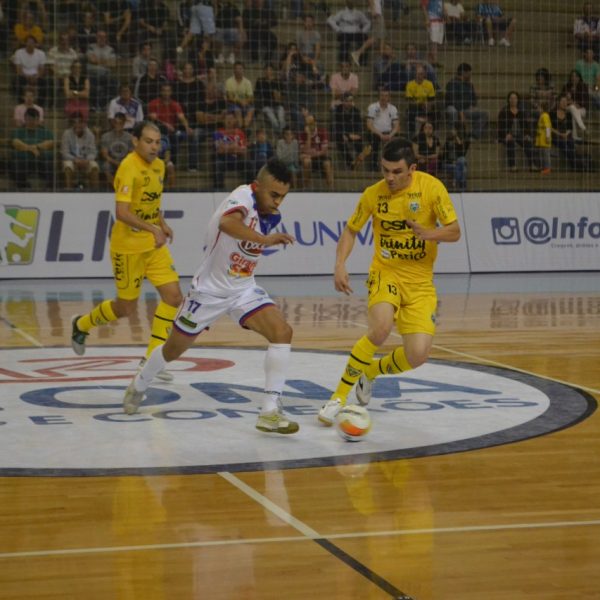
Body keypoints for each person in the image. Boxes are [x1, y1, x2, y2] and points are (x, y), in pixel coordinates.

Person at [122, 158, 300, 435]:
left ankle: (269, 411)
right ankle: (140, 383)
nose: (278, 202)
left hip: (242, 289)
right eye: (273, 195)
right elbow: (228, 224)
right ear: (257, 186)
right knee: (173, 349)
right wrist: (266, 240)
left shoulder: (271, 215)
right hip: (209, 291)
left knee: (282, 332)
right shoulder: (243, 195)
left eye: (283, 197)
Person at [317, 138, 461, 425]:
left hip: (420, 283)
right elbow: (351, 230)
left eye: (396, 171)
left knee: (417, 355)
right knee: (381, 328)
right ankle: (337, 398)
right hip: (386, 272)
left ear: (412, 169)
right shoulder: (373, 194)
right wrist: (339, 264)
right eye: (385, 170)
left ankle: (370, 372)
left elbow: (454, 231)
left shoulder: (432, 188)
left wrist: (428, 233)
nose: (389, 177)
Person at [71, 121, 184, 383]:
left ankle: (152, 358)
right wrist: (152, 229)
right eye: (148, 141)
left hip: (153, 247)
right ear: (135, 142)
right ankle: (81, 325)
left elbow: (152, 202)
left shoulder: (158, 167)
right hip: (127, 249)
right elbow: (122, 213)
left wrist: (162, 224)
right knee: (125, 308)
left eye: (157, 142)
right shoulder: (128, 167)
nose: (154, 147)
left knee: (174, 296)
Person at [10, 106, 54, 189]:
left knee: (50, 165)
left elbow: (50, 143)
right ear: (25, 119)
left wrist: (36, 146)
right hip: (22, 162)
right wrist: (31, 148)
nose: (32, 122)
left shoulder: (45, 131)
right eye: (29, 119)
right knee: (15, 165)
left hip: (41, 161)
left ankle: (49, 190)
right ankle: (23, 188)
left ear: (38, 120)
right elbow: (15, 143)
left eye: (34, 119)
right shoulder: (18, 131)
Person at [444, 62, 488, 140]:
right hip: (454, 107)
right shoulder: (452, 83)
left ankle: (473, 136)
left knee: (484, 114)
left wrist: (473, 105)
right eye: (469, 73)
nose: (470, 75)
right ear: (464, 73)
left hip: (466, 109)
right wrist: (460, 112)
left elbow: (474, 98)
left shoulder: (469, 85)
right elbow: (453, 100)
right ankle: (452, 134)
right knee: (452, 111)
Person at [497, 91, 535, 172]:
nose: (513, 100)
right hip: (506, 135)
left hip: (519, 135)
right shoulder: (504, 112)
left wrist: (527, 134)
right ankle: (512, 166)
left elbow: (526, 126)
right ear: (508, 100)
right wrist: (506, 134)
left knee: (528, 142)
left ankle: (532, 165)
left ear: (518, 100)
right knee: (510, 142)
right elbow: (500, 127)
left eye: (515, 98)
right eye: (511, 98)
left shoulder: (521, 112)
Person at [60, 115, 100, 189]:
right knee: (68, 166)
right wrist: (75, 160)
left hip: (86, 160)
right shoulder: (66, 134)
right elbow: (64, 152)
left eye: (80, 123)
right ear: (72, 124)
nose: (78, 125)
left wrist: (87, 160)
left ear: (84, 124)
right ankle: (69, 190)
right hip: (72, 160)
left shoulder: (90, 134)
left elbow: (93, 152)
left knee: (94, 166)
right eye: (75, 123)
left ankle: (95, 191)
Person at [366, 87, 400, 170]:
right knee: (374, 141)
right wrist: (380, 134)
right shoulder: (372, 107)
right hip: (375, 132)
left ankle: (390, 166)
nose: (384, 97)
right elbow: (369, 124)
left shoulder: (393, 108)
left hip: (388, 133)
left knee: (395, 143)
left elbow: (397, 125)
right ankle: (373, 167)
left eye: (386, 95)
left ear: (389, 97)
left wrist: (390, 135)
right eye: (382, 95)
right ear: (379, 96)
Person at [299, 113, 334, 189]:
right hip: (309, 159)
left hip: (320, 158)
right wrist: (308, 135)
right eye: (307, 123)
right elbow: (304, 150)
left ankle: (331, 189)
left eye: (311, 123)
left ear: (315, 122)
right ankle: (305, 188)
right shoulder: (302, 134)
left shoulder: (322, 131)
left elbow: (324, 151)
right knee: (306, 161)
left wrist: (310, 154)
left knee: (327, 163)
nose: (309, 125)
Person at [100, 112, 133, 186]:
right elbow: (104, 154)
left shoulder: (130, 137)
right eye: (116, 122)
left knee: (131, 166)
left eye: (120, 123)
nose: (117, 125)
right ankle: (114, 186)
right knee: (106, 166)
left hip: (125, 162)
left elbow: (131, 154)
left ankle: (126, 186)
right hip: (111, 161)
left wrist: (123, 163)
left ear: (124, 123)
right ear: (113, 123)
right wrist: (115, 162)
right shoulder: (106, 136)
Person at [405, 64, 437, 138]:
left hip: (426, 107)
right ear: (415, 74)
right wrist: (420, 103)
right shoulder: (410, 84)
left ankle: (433, 135)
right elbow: (409, 101)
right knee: (410, 112)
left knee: (436, 112)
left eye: (422, 74)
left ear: (424, 74)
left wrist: (428, 105)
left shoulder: (429, 84)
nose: (420, 76)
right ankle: (412, 136)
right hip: (415, 107)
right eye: (418, 74)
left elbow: (432, 100)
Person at [350, 0, 385, 67]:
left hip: (377, 13)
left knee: (379, 37)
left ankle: (358, 53)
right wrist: (373, 10)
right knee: (376, 37)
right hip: (376, 14)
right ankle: (357, 53)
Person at [254, 63, 286, 134]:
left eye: (270, 70)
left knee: (281, 119)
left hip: (278, 105)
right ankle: (281, 134)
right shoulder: (260, 81)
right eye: (266, 70)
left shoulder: (278, 81)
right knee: (274, 120)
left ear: (273, 71)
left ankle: (282, 133)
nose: (268, 72)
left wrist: (278, 96)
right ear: (264, 71)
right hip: (266, 106)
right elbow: (256, 94)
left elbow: (283, 97)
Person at [224, 61, 255, 130]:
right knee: (238, 111)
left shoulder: (247, 82)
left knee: (251, 110)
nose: (238, 70)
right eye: (236, 68)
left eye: (240, 69)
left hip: (245, 104)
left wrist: (245, 102)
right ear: (234, 70)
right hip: (233, 104)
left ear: (243, 70)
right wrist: (240, 101)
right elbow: (230, 97)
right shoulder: (229, 81)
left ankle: (245, 128)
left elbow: (250, 97)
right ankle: (241, 130)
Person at [561, 70, 590, 141]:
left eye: (576, 76)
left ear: (579, 78)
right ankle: (583, 127)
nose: (574, 78)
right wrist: (569, 100)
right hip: (568, 107)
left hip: (581, 109)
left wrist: (575, 103)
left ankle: (575, 136)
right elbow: (561, 98)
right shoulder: (567, 86)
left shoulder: (583, 86)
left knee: (573, 113)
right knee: (572, 107)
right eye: (572, 76)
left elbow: (585, 100)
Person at [420, 0, 445, 66]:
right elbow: (423, 6)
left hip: (440, 21)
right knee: (433, 42)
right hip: (432, 20)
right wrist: (427, 19)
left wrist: (445, 15)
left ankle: (433, 60)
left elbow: (441, 7)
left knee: (437, 42)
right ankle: (432, 61)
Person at [535, 100, 552, 175]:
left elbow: (547, 127)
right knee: (542, 154)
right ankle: (544, 167)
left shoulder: (545, 116)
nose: (537, 109)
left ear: (542, 108)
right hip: (541, 140)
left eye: (538, 107)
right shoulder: (543, 115)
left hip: (544, 140)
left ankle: (547, 168)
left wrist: (548, 137)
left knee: (545, 154)